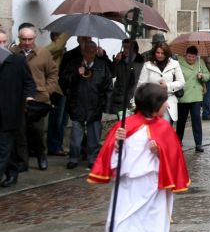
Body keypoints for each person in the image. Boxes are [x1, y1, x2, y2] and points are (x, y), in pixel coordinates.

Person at [89, 83, 190, 232]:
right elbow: (112, 162)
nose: (166, 106)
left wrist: (159, 152)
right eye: (164, 102)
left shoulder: (164, 129)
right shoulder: (125, 126)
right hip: (127, 191)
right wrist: (117, 146)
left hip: (153, 193)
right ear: (156, 104)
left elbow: (174, 162)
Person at [11, 25, 58, 171]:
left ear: (34, 39)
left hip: (38, 99)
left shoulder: (43, 53)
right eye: (23, 39)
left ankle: (41, 156)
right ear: (19, 39)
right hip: (18, 100)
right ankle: (22, 162)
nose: (26, 42)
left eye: (29, 39)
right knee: (20, 133)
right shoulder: (13, 53)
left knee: (37, 131)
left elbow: (53, 73)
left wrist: (47, 90)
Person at [60, 40, 113, 169]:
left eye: (93, 52)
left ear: (96, 52)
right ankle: (74, 157)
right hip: (77, 103)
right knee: (76, 135)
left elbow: (108, 87)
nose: (90, 55)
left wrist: (106, 107)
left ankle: (92, 158)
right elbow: (64, 80)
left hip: (95, 104)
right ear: (83, 52)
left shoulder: (102, 65)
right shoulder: (74, 64)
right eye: (88, 52)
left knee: (94, 135)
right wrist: (76, 74)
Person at [0, 29, 36, 187]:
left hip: (10, 112)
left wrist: (29, 96)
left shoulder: (17, 61)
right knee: (8, 148)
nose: (1, 45)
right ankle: (13, 171)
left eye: (3, 42)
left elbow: (29, 82)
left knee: (3, 147)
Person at [137, 42, 185, 125]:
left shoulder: (174, 64)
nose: (160, 55)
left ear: (167, 53)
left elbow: (181, 82)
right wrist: (136, 103)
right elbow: (141, 85)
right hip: (151, 102)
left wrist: (167, 86)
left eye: (162, 53)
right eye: (158, 52)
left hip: (168, 101)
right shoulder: (147, 65)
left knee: (164, 128)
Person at [176, 46, 210, 152]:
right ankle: (178, 141)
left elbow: (208, 75)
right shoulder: (178, 63)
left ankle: (199, 143)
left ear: (196, 56)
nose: (191, 59)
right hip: (183, 96)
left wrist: (202, 76)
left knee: (196, 120)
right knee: (181, 121)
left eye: (193, 57)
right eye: (189, 56)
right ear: (185, 55)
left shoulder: (200, 62)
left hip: (196, 96)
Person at [46, 32, 70, 156]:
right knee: (56, 119)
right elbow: (57, 47)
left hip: (64, 89)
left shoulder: (63, 51)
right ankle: (53, 146)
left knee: (63, 120)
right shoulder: (51, 50)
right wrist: (69, 31)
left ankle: (58, 145)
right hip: (56, 89)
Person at [110, 39, 145, 118]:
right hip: (120, 98)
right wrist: (115, 62)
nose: (125, 50)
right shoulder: (120, 60)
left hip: (134, 97)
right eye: (124, 47)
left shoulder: (141, 62)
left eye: (128, 47)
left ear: (134, 48)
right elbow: (112, 74)